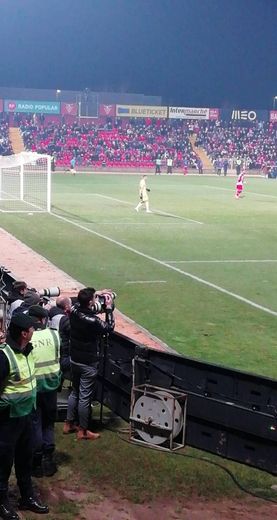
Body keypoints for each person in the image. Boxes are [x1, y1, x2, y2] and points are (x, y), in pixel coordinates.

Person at [0, 313, 49, 520]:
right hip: (7, 420)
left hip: (27, 415)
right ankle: (1, 503)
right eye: (31, 329)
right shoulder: (4, 356)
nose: (34, 331)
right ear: (24, 333)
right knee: (2, 463)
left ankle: (27, 496)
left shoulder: (27, 351)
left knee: (25, 459)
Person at [64, 287, 115, 440]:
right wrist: (109, 309)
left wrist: (95, 294)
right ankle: (83, 430)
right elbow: (109, 328)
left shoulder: (72, 310)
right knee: (85, 397)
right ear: (91, 301)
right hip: (88, 362)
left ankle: (68, 423)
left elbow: (78, 302)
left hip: (74, 358)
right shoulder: (93, 321)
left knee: (75, 392)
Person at [28, 305, 61, 478]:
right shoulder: (54, 334)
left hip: (33, 387)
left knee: (35, 423)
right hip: (51, 386)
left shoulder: (27, 337)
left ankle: (36, 462)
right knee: (48, 423)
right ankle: (49, 460)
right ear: (43, 319)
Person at [48, 296, 72, 378]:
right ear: (66, 307)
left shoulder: (50, 314)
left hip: (51, 352)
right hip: (62, 356)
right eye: (70, 305)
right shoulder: (64, 319)